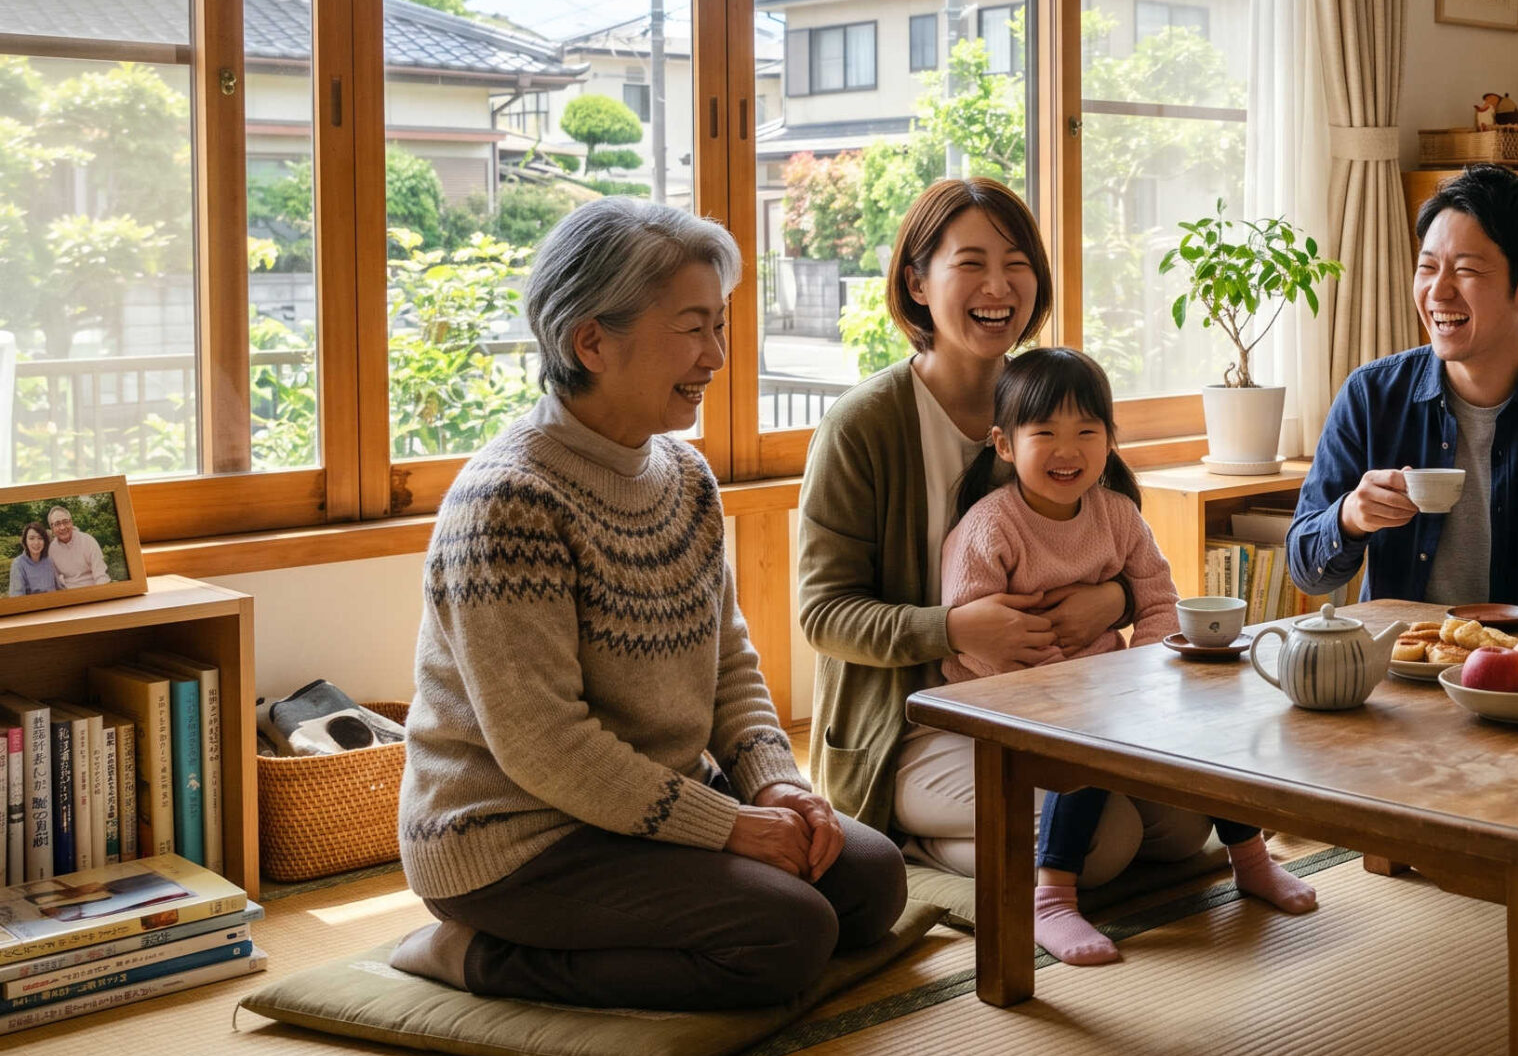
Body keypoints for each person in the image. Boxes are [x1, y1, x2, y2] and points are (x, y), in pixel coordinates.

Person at [391, 199, 907, 1011]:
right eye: (693, 326)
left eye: (722, 325)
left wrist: (773, 784)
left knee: (871, 881)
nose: (717, 354)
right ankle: (474, 954)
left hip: (648, 807)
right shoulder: (509, 502)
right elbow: (545, 745)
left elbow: (727, 659)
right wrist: (732, 828)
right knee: (787, 937)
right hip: (519, 839)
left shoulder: (684, 476)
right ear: (590, 340)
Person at [799, 179, 1192, 886]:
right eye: (971, 263)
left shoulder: (1045, 401)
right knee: (1106, 840)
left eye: (1017, 262)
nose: (999, 285)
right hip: (915, 724)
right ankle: (906, 849)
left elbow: (1127, 546)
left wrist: (1115, 603)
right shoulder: (863, 425)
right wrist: (955, 629)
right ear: (917, 282)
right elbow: (823, 615)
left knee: (1187, 822)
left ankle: (1021, 851)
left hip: (1057, 704)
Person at [940, 347, 1314, 966]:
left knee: (1215, 725)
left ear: (1111, 439)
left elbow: (1159, 599)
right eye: (1046, 433)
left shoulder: (1117, 515)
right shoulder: (991, 527)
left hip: (1109, 688)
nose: (1068, 450)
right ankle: (1051, 899)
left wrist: (1149, 682)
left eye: (1087, 431)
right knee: (1084, 737)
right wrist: (1052, 692)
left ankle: (1250, 859)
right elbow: (978, 645)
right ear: (1004, 445)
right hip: (1009, 700)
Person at [1290, 164, 1518, 627]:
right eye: (1428, 267)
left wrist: (1515, 664)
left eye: (1466, 270)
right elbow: (1305, 568)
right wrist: (1349, 517)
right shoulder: (1371, 395)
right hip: (1400, 666)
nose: (1438, 291)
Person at [42, 506, 109, 588]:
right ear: (52, 528)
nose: (62, 527)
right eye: (57, 524)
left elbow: (101, 575)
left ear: (71, 522)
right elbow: (54, 580)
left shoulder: (88, 541)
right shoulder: (51, 550)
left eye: (65, 522)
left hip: (93, 588)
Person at [8, 523, 57, 597]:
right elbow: (17, 598)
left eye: (40, 538)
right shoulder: (18, 564)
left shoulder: (48, 561)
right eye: (31, 538)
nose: (36, 542)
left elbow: (58, 587)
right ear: (25, 541)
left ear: (45, 541)